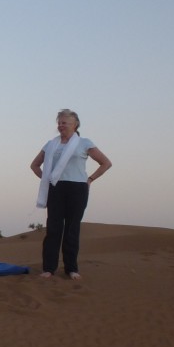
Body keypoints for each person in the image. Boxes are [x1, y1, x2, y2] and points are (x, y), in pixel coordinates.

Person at [30, 109, 111, 280]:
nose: (61, 125)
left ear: (75, 124)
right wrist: (47, 179)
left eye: (64, 122)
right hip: (56, 188)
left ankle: (71, 268)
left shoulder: (84, 143)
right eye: (59, 122)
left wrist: (90, 179)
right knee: (53, 228)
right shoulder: (51, 144)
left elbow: (105, 163)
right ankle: (49, 268)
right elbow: (35, 165)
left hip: (77, 188)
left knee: (72, 228)